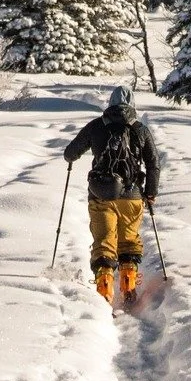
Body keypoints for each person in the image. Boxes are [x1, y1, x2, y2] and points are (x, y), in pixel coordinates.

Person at [63, 84, 160, 303]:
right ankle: (128, 283)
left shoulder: (97, 126)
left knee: (104, 242)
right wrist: (150, 192)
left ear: (110, 103)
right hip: (132, 195)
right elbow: (153, 163)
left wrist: (72, 159)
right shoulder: (140, 129)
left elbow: (70, 153)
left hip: (100, 193)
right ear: (132, 105)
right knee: (128, 241)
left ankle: (104, 290)